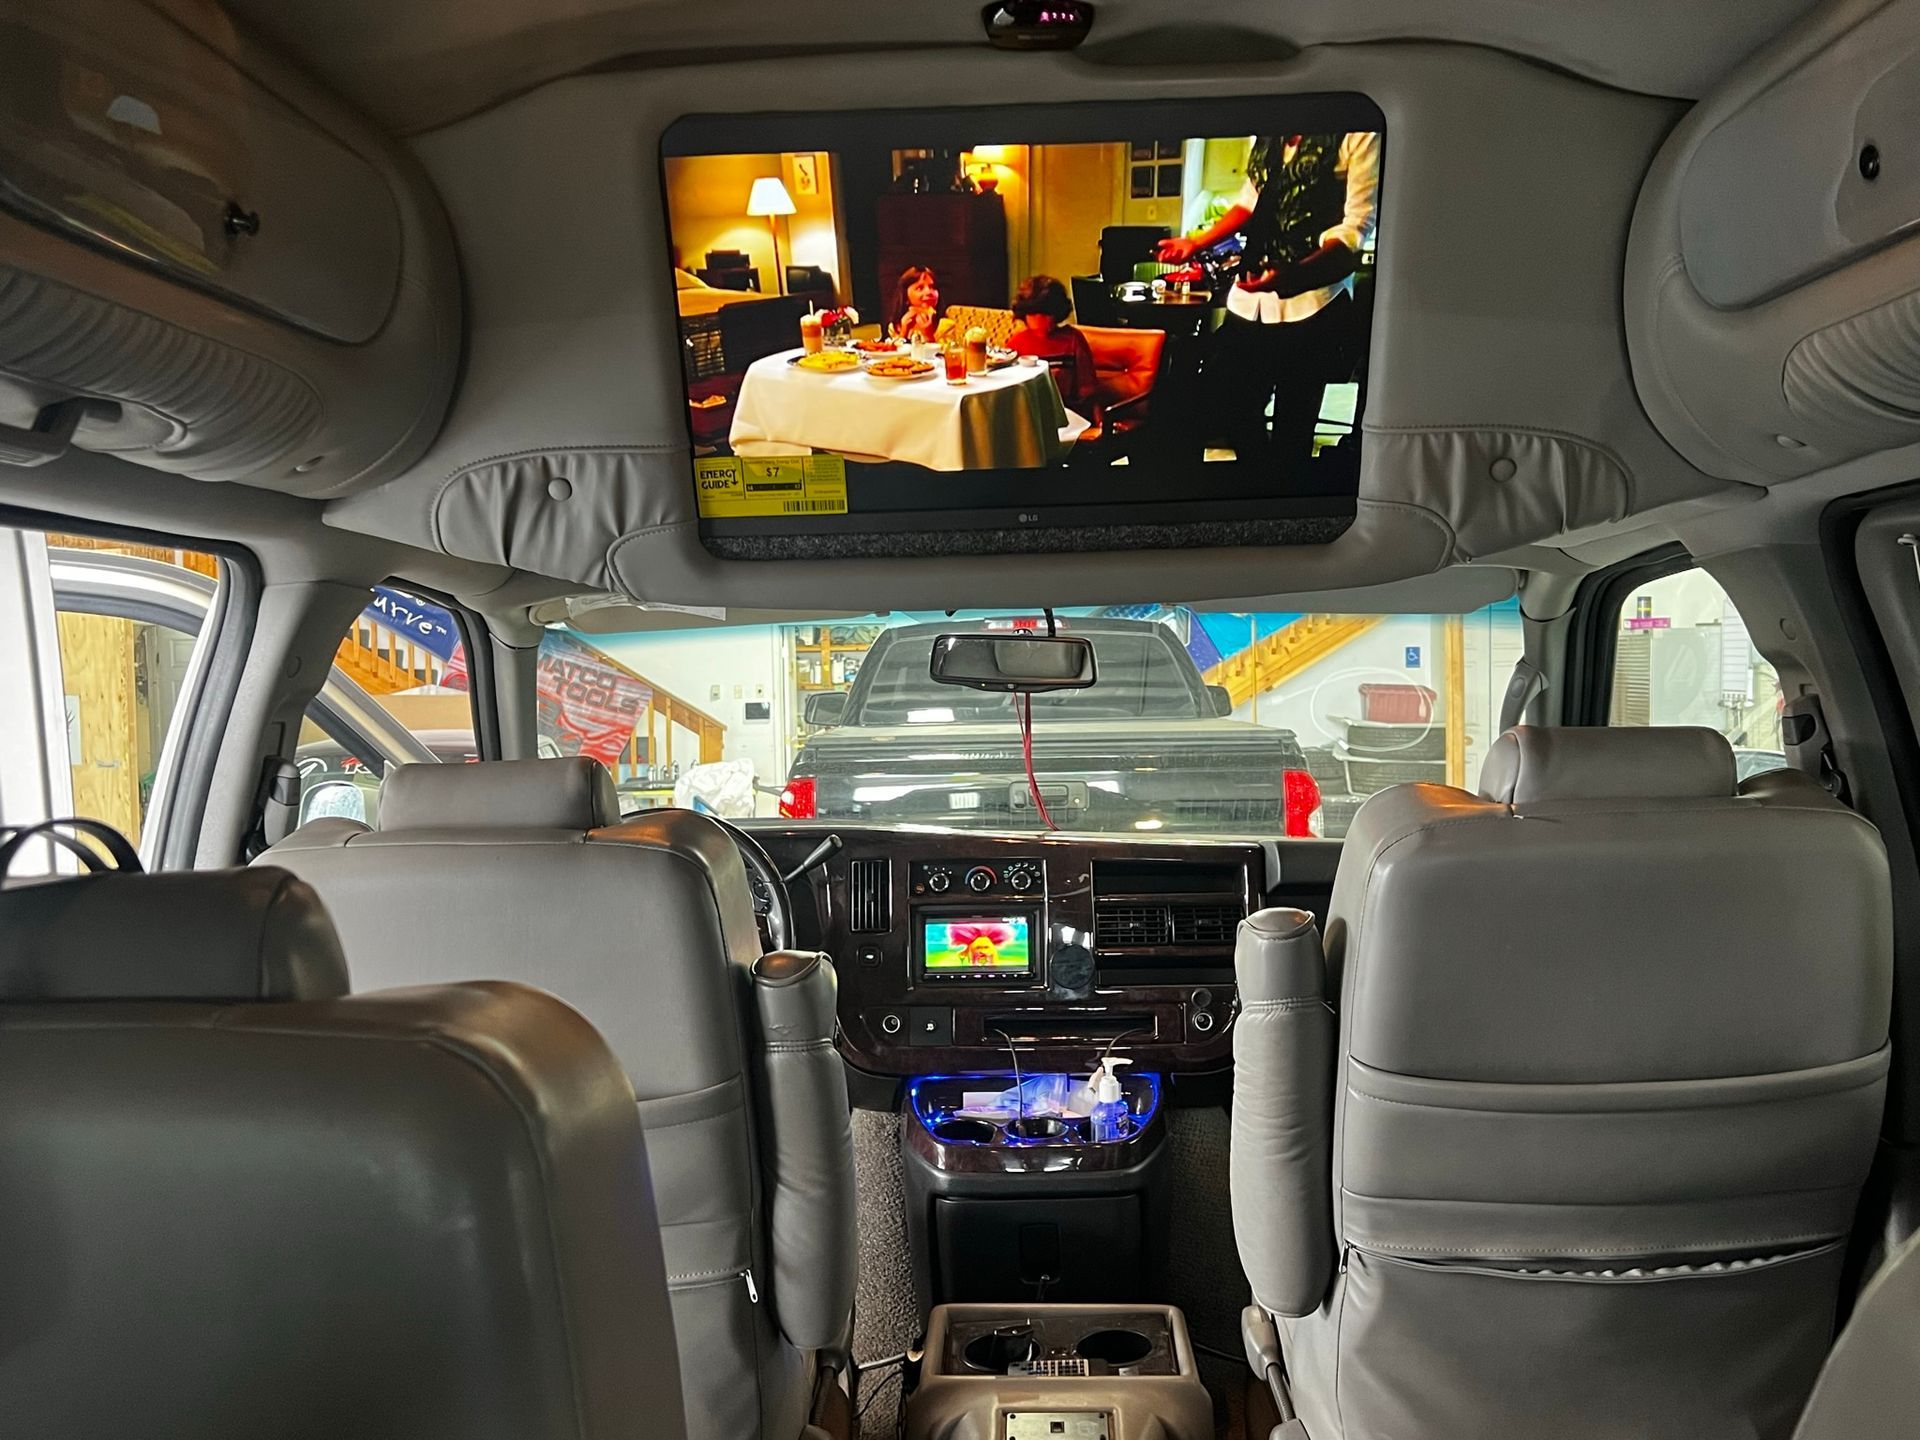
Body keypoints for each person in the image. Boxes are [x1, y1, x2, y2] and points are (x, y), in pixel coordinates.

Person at [1157, 132, 1380, 466]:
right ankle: (1256, 481)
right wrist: (1197, 242)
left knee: (1294, 427)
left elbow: (1356, 226)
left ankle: (1283, 498)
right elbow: (1250, 200)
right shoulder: (1266, 136)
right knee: (1234, 410)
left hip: (1312, 304)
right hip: (1248, 303)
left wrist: (1296, 275)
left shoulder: (1356, 134)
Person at [1005, 275, 1098, 411]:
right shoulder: (1016, 343)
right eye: (1033, 313)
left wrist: (1100, 424)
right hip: (1030, 414)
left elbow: (1088, 388)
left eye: (1045, 314)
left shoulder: (1073, 339)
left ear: (1057, 313)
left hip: (1069, 413)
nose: (1039, 320)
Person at [887, 265, 950, 343]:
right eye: (920, 288)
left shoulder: (946, 326)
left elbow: (947, 353)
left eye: (932, 287)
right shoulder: (895, 327)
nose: (929, 292)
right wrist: (903, 333)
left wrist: (928, 335)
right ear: (905, 296)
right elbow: (895, 353)